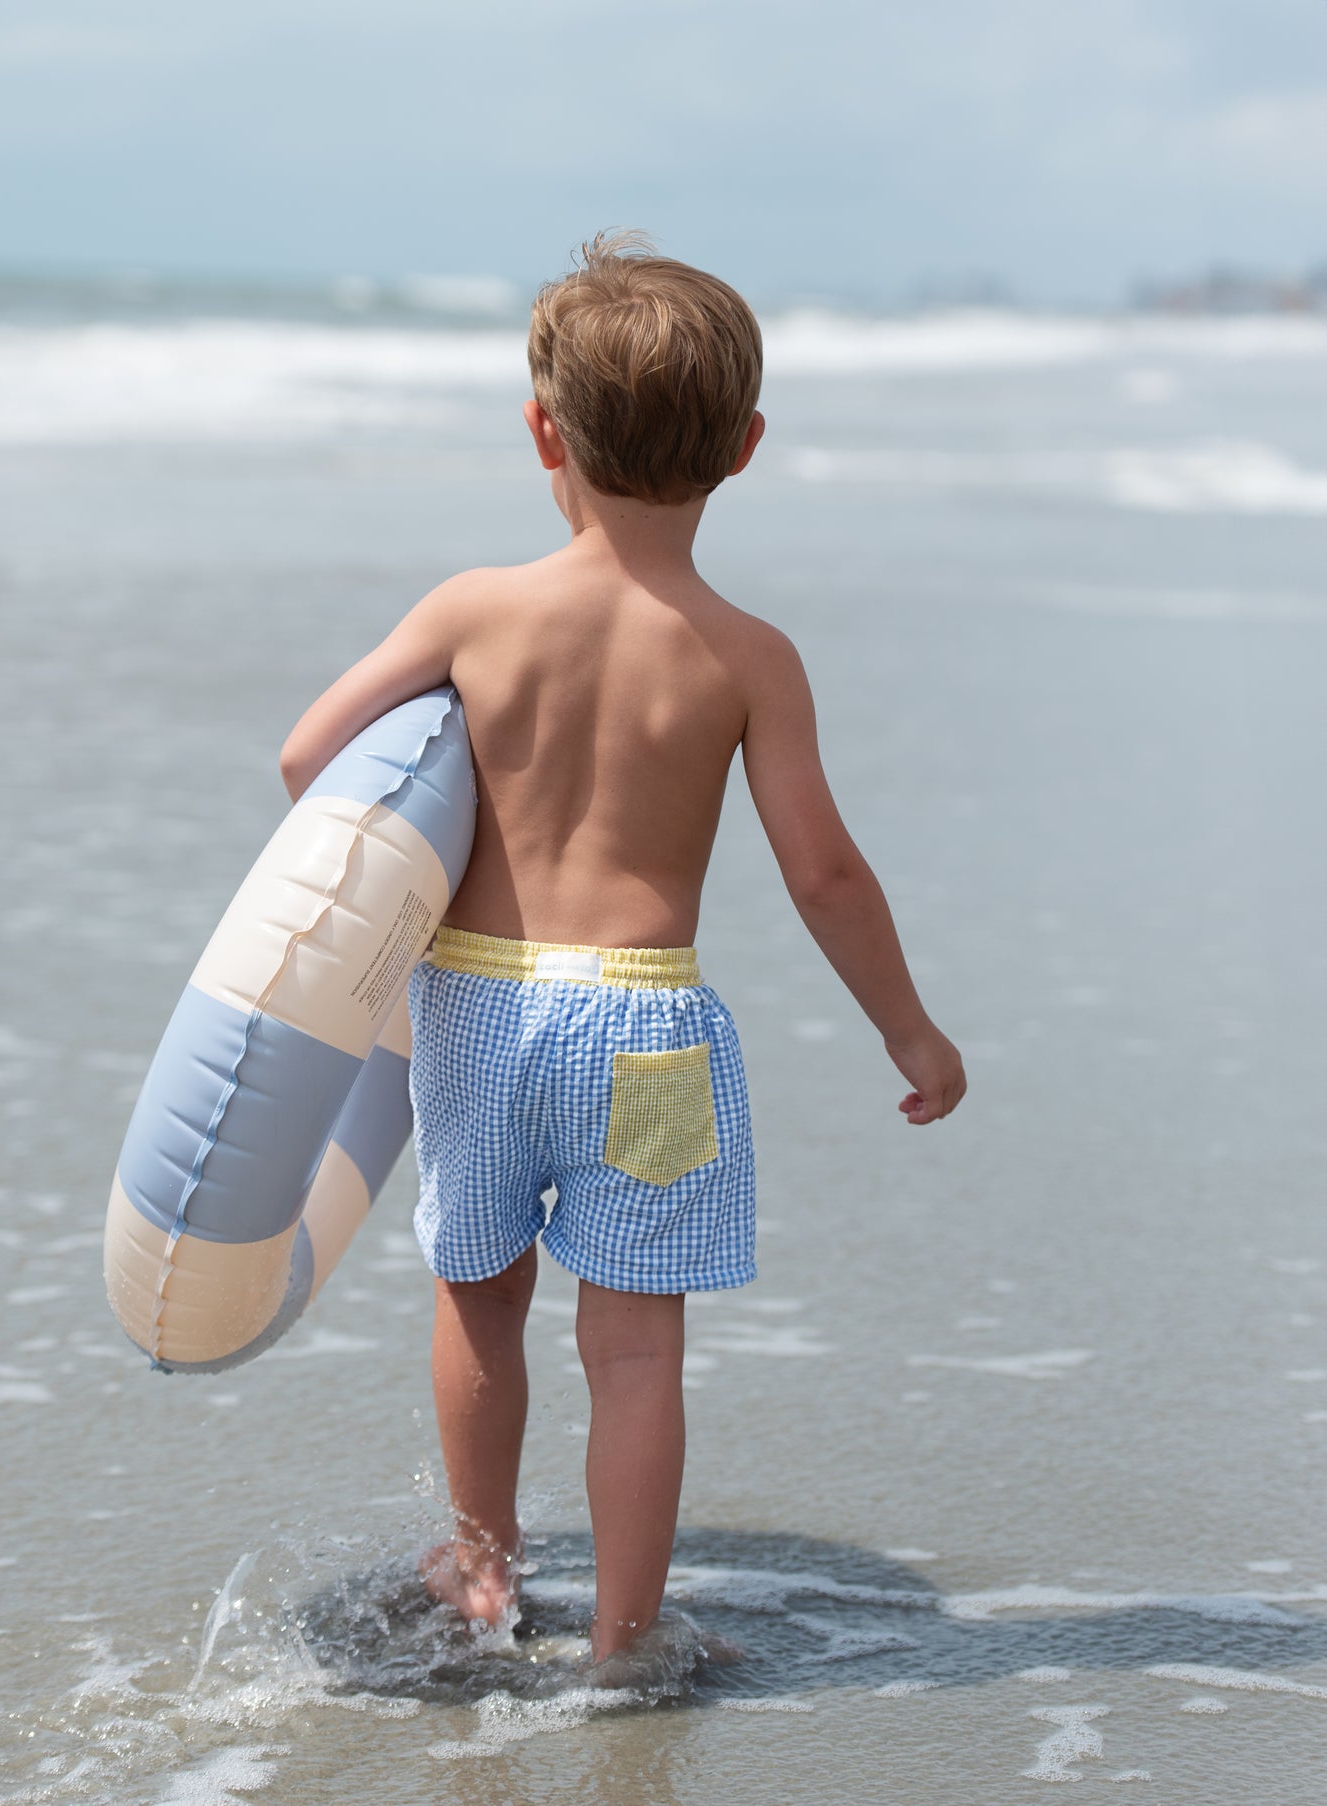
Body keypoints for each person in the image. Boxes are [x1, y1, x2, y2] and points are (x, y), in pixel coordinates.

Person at [279, 232, 966, 1670]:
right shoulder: (744, 654)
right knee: (635, 1343)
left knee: (479, 1298)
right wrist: (909, 1030)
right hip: (647, 1030)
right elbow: (822, 871)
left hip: (473, 1010)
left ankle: (478, 1568)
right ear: (748, 446)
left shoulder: (475, 609)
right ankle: (623, 1639)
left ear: (541, 430)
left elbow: (308, 760)